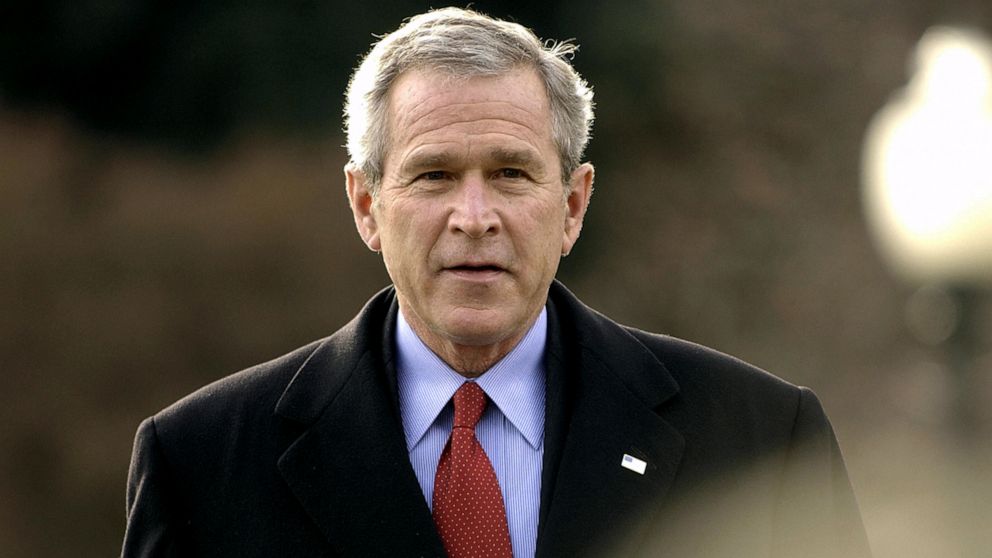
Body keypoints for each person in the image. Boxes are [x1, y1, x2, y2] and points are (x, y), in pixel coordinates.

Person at [122, 7, 871, 558]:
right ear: (365, 205)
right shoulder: (202, 463)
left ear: (572, 205)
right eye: (434, 175)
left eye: (511, 174)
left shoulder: (761, 442)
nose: (473, 216)